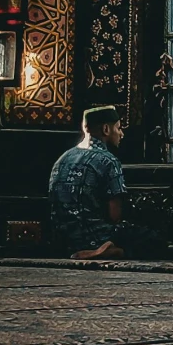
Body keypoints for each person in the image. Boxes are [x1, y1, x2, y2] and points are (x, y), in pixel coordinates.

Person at [48, 104, 135, 260]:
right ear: (106, 130)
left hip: (63, 239)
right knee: (152, 239)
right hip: (97, 238)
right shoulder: (108, 161)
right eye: (119, 128)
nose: (121, 134)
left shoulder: (63, 158)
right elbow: (115, 215)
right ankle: (105, 250)